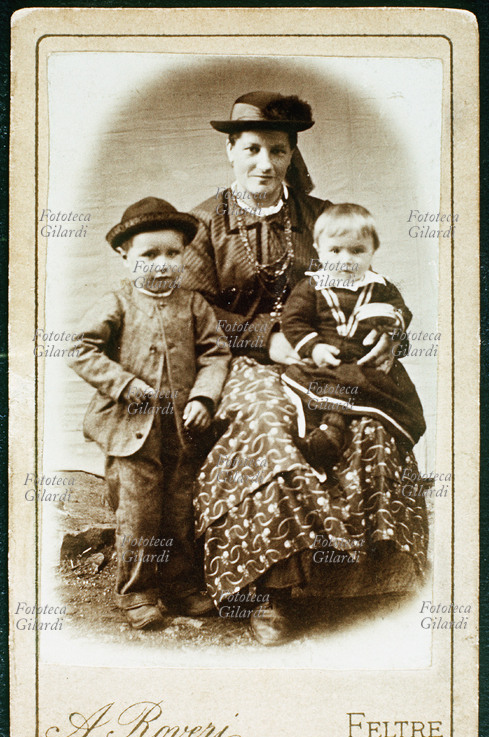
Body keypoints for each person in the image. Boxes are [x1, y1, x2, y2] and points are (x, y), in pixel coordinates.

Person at [183, 91, 429, 646]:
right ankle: (267, 594)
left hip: (327, 363)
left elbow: (378, 286)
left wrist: (391, 333)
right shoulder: (201, 224)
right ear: (230, 151)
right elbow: (189, 314)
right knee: (270, 424)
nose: (264, 164)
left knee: (367, 423)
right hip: (239, 362)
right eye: (251, 149)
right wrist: (267, 339)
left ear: (292, 152)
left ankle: (361, 581)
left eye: (276, 149)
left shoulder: (322, 218)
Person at [69, 197, 231, 629]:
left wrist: (204, 398)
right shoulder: (118, 302)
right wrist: (123, 384)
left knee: (179, 507)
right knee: (139, 513)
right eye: (149, 255)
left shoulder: (194, 305)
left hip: (182, 429)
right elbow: (79, 349)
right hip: (131, 430)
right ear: (125, 257)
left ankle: (179, 585)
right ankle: (138, 591)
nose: (162, 265)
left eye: (172, 254)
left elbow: (216, 354)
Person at [281, 203, 426, 471]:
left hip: (366, 365)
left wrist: (391, 331)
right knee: (324, 387)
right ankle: (324, 435)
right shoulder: (311, 286)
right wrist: (313, 348)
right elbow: (293, 320)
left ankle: (338, 430)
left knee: (375, 393)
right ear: (318, 250)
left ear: (373, 251)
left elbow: (401, 315)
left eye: (357, 251)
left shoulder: (381, 287)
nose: (346, 259)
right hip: (328, 363)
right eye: (335, 250)